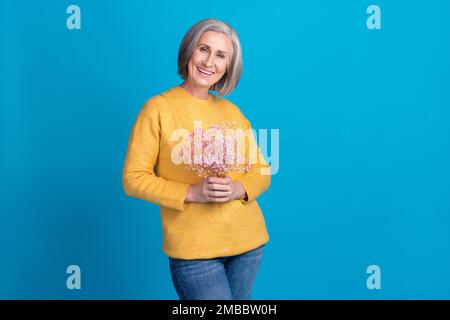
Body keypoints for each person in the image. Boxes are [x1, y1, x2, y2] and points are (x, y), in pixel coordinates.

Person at [122, 18, 271, 300]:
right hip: (194, 252)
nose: (209, 62)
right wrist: (193, 192)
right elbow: (133, 179)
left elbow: (261, 170)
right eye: (204, 49)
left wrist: (239, 189)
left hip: (247, 244)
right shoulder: (158, 109)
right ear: (190, 50)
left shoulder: (232, 112)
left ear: (228, 66)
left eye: (220, 55)